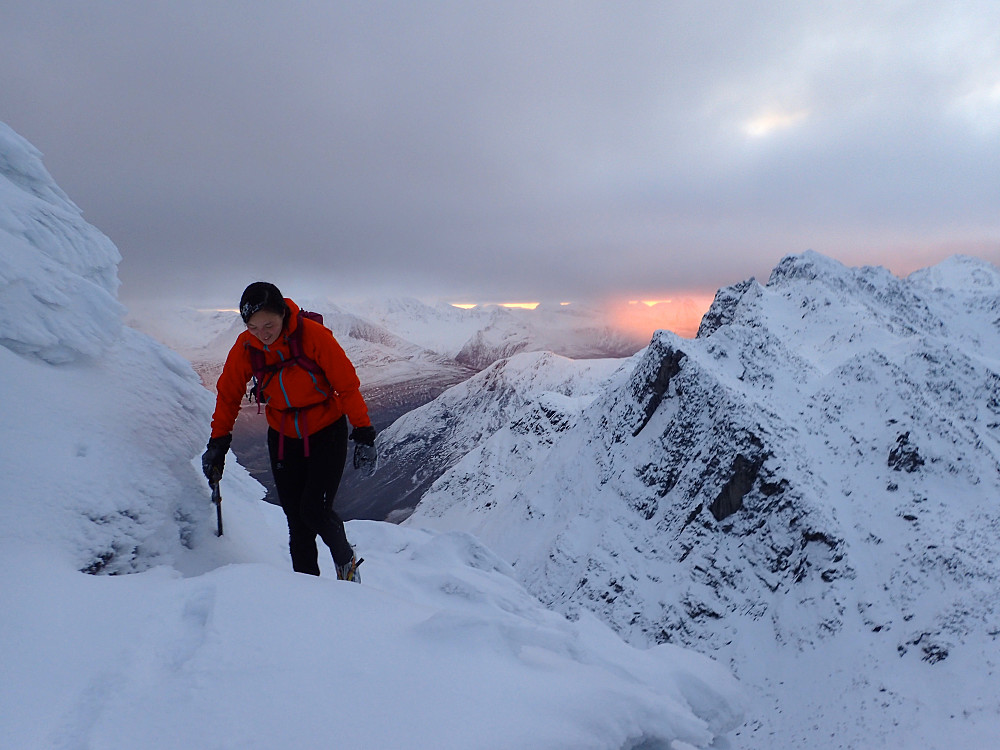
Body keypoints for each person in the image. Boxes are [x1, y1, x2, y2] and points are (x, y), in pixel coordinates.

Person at [201, 281, 376, 581]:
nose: (263, 334)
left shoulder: (313, 337)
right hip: (282, 436)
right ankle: (305, 590)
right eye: (254, 327)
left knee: (314, 510)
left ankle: (345, 561)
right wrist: (218, 442)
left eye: (268, 324)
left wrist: (363, 432)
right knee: (297, 522)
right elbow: (228, 395)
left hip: (326, 431)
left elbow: (346, 384)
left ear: (283, 313)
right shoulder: (246, 348)